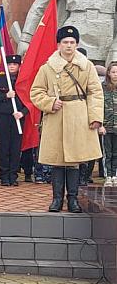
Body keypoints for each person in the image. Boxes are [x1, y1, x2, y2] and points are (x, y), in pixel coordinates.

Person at [30, 26, 104, 212]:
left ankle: (72, 199)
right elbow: (36, 91)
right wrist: (49, 102)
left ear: (77, 44)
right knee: (57, 160)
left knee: (74, 161)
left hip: (79, 116)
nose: (69, 46)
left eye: (72, 42)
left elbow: (95, 92)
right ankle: (56, 199)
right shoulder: (47, 68)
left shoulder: (86, 66)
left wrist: (95, 116)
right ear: (58, 44)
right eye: (65, 42)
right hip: (56, 116)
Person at [0, 55, 28, 186]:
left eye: (15, 64)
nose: (12, 66)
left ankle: (13, 175)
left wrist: (22, 113)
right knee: (4, 146)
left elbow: (29, 101)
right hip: (3, 116)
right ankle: (4, 175)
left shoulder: (23, 81)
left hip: (18, 117)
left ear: (19, 66)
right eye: (9, 64)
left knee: (16, 147)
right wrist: (5, 95)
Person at [100, 63, 117, 185]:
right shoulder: (102, 88)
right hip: (106, 126)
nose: (115, 75)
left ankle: (115, 175)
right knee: (107, 153)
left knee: (116, 153)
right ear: (108, 74)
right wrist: (100, 124)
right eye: (113, 72)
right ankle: (108, 176)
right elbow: (98, 107)